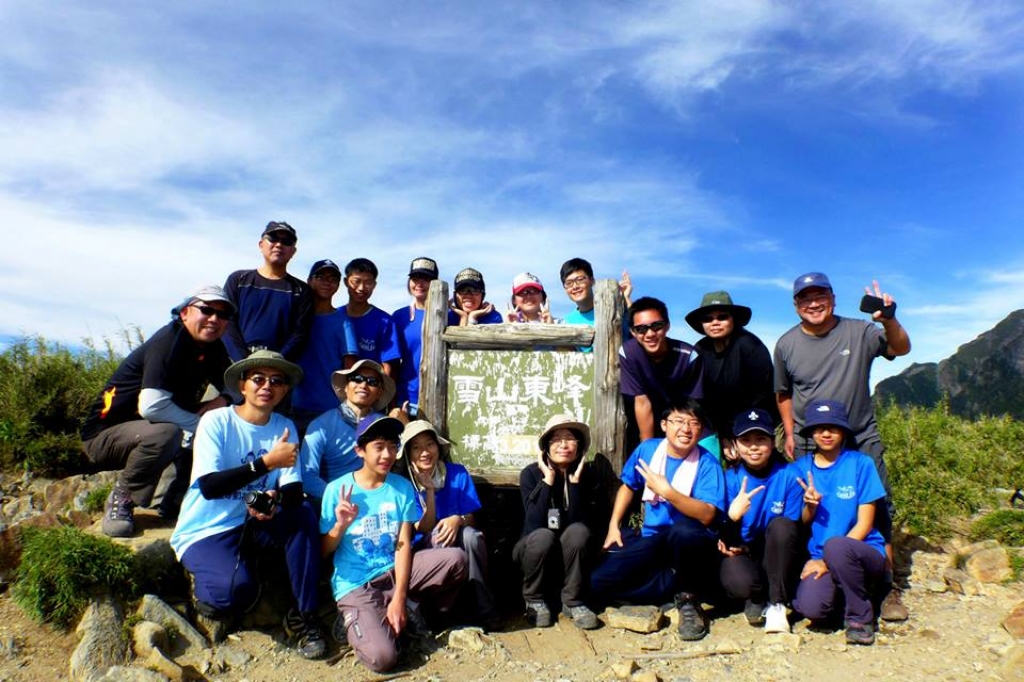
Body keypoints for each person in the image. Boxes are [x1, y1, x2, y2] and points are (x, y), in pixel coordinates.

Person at [169, 350, 325, 658]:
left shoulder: (284, 426)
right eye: (259, 378)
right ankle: (204, 574)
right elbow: (210, 487)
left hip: (254, 524)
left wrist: (274, 497)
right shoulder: (217, 421)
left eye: (277, 381)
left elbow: (293, 490)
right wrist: (266, 463)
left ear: (284, 390)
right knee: (231, 595)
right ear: (243, 386)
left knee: (303, 514)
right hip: (208, 528)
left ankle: (304, 616)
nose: (267, 385)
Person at [774, 273, 911, 621]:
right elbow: (784, 393)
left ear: (833, 299)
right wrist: (790, 433)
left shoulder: (859, 332)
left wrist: (889, 319)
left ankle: (888, 585)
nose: (814, 304)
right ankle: (815, 575)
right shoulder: (786, 344)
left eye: (820, 296)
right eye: (805, 299)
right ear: (795, 305)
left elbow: (900, 348)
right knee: (811, 509)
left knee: (879, 508)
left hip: (860, 434)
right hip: (809, 439)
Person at [81, 285, 235, 536]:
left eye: (223, 315)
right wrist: (203, 428)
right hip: (104, 437)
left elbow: (236, 387)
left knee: (215, 419)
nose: (214, 319)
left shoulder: (212, 348)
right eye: (206, 310)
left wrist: (225, 399)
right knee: (169, 432)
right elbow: (151, 406)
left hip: (149, 428)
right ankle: (123, 497)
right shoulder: (169, 341)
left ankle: (175, 502)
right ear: (185, 313)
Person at [321, 415, 468, 673]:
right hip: (357, 583)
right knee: (383, 659)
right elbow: (323, 550)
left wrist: (400, 597)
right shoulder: (337, 490)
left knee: (455, 559)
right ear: (360, 451)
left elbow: (403, 544)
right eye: (379, 447)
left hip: (395, 572)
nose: (387, 454)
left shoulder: (400, 487)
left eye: (392, 446)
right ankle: (358, 620)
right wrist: (340, 525)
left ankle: (409, 609)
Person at [590, 399, 725, 641]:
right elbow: (628, 486)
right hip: (653, 538)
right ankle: (670, 588)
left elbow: (707, 514)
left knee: (684, 530)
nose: (686, 429)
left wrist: (668, 492)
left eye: (694, 423)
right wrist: (614, 526)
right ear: (664, 424)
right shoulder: (649, 450)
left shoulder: (707, 463)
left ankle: (689, 600)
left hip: (689, 542)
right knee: (599, 581)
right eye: (679, 421)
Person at [790, 400, 889, 646]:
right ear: (811, 432)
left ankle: (860, 618)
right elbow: (800, 522)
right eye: (819, 428)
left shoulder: (860, 464)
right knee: (811, 608)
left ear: (843, 430)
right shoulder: (801, 469)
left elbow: (865, 524)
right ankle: (847, 596)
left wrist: (826, 560)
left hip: (862, 553)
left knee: (836, 546)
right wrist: (809, 507)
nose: (825, 433)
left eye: (832, 427)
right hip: (821, 557)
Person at [396, 419, 499, 629]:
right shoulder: (405, 484)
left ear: (438, 447)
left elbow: (471, 515)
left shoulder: (457, 472)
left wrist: (457, 519)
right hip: (424, 549)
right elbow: (423, 528)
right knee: (440, 536)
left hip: (459, 539)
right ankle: (442, 612)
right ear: (408, 453)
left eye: (429, 444)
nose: (424, 452)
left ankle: (485, 610)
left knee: (471, 536)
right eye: (416, 447)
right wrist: (430, 491)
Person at [513, 415, 611, 630]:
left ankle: (573, 600)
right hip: (534, 549)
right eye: (556, 439)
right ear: (545, 447)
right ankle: (534, 599)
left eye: (570, 439)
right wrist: (547, 480)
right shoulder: (530, 474)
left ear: (580, 446)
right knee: (542, 535)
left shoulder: (589, 476)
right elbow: (533, 524)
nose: (564, 445)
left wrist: (575, 486)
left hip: (570, 554)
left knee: (578, 532)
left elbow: (583, 526)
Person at [718, 409, 803, 633]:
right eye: (745, 440)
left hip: (776, 553)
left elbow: (791, 530)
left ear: (772, 442)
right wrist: (732, 517)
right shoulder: (729, 479)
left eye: (761, 439)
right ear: (735, 445)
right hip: (744, 553)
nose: (753, 446)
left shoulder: (790, 476)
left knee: (782, 526)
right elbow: (724, 537)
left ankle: (777, 603)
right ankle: (757, 596)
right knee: (738, 580)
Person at [684, 291, 778, 461]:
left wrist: (740, 435)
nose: (715, 323)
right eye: (708, 319)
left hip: (754, 422)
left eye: (722, 317)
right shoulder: (700, 349)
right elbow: (699, 398)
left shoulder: (751, 346)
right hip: (715, 425)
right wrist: (723, 435)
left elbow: (762, 396)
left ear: (733, 319)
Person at [300, 360, 396, 508]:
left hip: (379, 503)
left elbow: (401, 463)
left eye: (372, 382)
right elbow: (307, 476)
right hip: (334, 506)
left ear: (379, 393)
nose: (363, 385)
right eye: (356, 379)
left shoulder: (386, 425)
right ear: (346, 387)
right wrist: (341, 500)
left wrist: (407, 425)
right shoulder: (321, 425)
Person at [619, 297, 705, 455]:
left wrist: (680, 445)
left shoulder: (690, 356)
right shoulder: (628, 353)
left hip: (682, 418)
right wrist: (648, 450)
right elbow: (642, 401)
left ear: (667, 326)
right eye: (641, 329)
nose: (650, 334)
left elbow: (691, 407)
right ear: (632, 332)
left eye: (657, 326)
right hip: (646, 418)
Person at [222, 221, 314, 362]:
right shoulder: (238, 280)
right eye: (273, 239)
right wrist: (243, 361)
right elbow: (227, 323)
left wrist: (276, 362)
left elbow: (300, 333)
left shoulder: (302, 290)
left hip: (278, 367)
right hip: (235, 364)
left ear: (293, 251)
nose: (279, 244)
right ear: (261, 244)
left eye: (286, 241)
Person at [290, 259, 358, 434]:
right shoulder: (295, 316)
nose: (327, 282)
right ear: (309, 281)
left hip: (330, 409)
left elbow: (350, 368)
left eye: (333, 278)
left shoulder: (343, 321)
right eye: (321, 276)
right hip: (292, 406)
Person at [340, 257, 401, 379]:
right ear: (346, 282)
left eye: (368, 282)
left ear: (374, 285)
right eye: (356, 281)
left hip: (369, 390)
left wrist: (382, 394)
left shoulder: (385, 321)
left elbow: (387, 364)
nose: (361, 288)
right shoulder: (336, 316)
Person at [393, 257, 439, 414]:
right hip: (406, 400)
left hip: (439, 397)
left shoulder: (448, 316)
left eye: (426, 279)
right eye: (415, 278)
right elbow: (392, 362)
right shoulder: (399, 317)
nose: (419, 283)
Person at [560, 258, 634, 352]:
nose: (575, 286)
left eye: (580, 279)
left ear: (592, 281)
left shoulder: (614, 309)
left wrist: (626, 298)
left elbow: (638, 329)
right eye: (569, 283)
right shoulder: (567, 322)